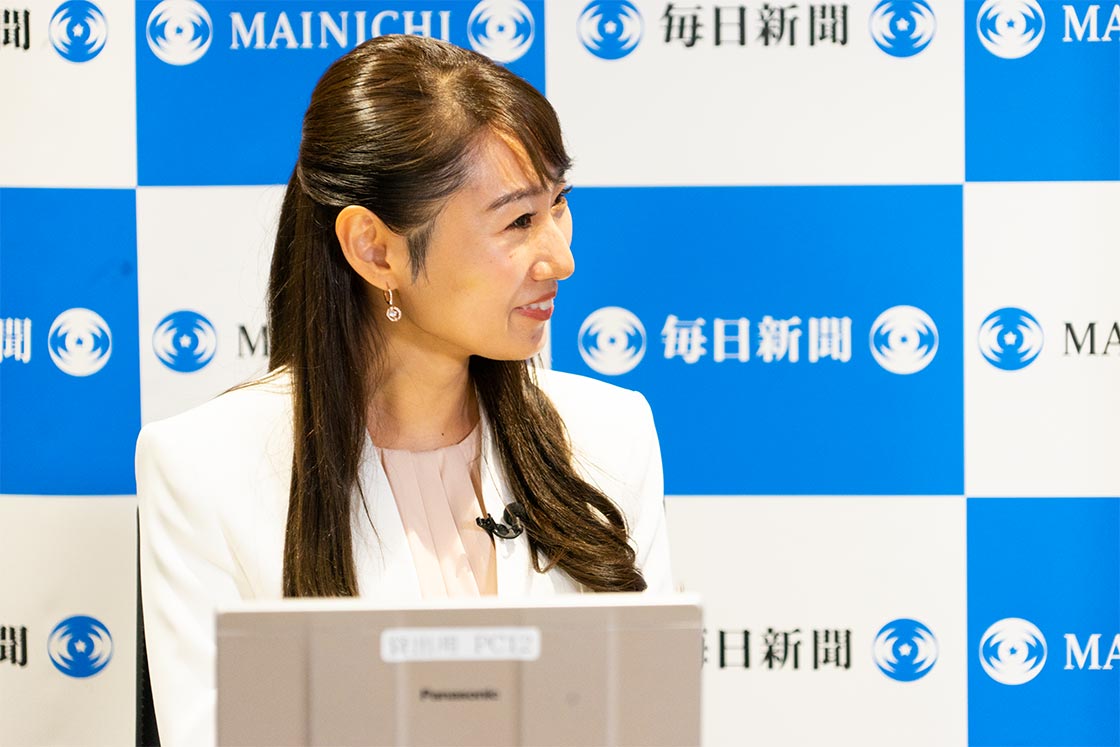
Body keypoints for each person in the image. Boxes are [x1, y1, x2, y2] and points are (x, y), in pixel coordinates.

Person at [136, 34, 671, 747]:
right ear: (375, 249)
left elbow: (648, 720)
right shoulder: (204, 467)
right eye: (518, 221)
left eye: (558, 206)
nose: (560, 257)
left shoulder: (610, 434)